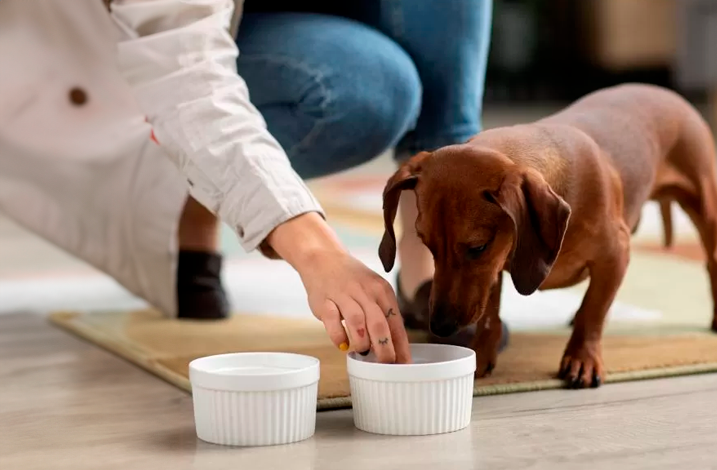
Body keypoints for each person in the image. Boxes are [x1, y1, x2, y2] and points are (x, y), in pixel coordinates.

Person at [0, 0, 504, 364]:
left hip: (294, 21)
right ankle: (189, 204)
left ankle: (429, 253)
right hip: (140, 61)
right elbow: (188, 80)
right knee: (368, 91)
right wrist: (316, 252)